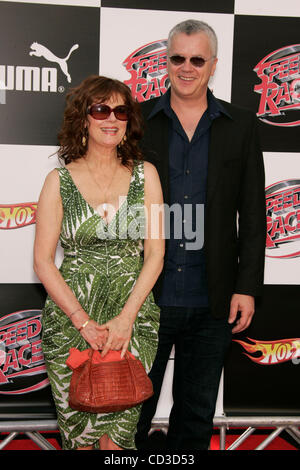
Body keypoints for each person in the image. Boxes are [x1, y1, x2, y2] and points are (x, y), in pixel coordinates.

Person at [135, 19, 266, 450]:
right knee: (130, 415)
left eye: (197, 59)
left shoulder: (242, 124)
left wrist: (246, 286)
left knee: (195, 418)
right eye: (177, 58)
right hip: (144, 297)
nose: (186, 67)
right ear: (166, 62)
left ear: (212, 65)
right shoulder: (135, 121)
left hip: (213, 299)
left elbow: (252, 212)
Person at [33, 75, 164, 450]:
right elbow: (43, 262)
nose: (112, 118)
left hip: (132, 317)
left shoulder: (147, 176)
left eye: (121, 110)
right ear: (84, 119)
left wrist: (125, 320)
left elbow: (155, 255)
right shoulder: (58, 181)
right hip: (72, 321)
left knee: (119, 441)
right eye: (101, 108)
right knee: (80, 440)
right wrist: (83, 322)